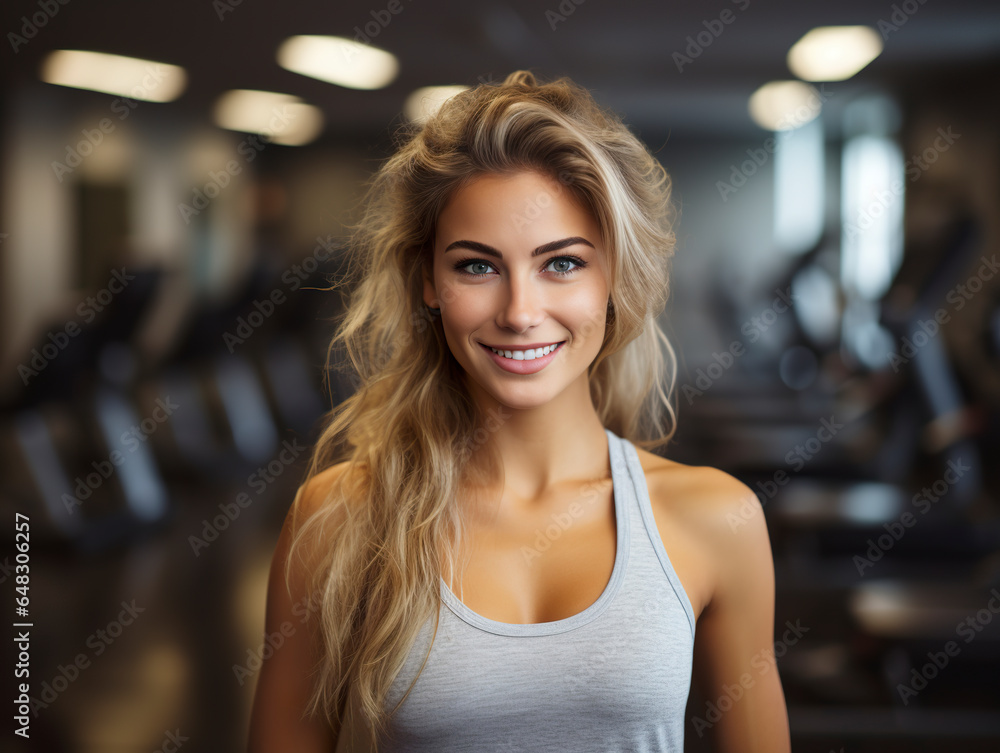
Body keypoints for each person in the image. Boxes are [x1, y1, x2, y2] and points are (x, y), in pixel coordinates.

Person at [248, 69, 791, 752]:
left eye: (561, 264)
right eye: (478, 266)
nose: (520, 313)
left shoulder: (718, 519)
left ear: (614, 278)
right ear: (429, 281)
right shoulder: (337, 521)